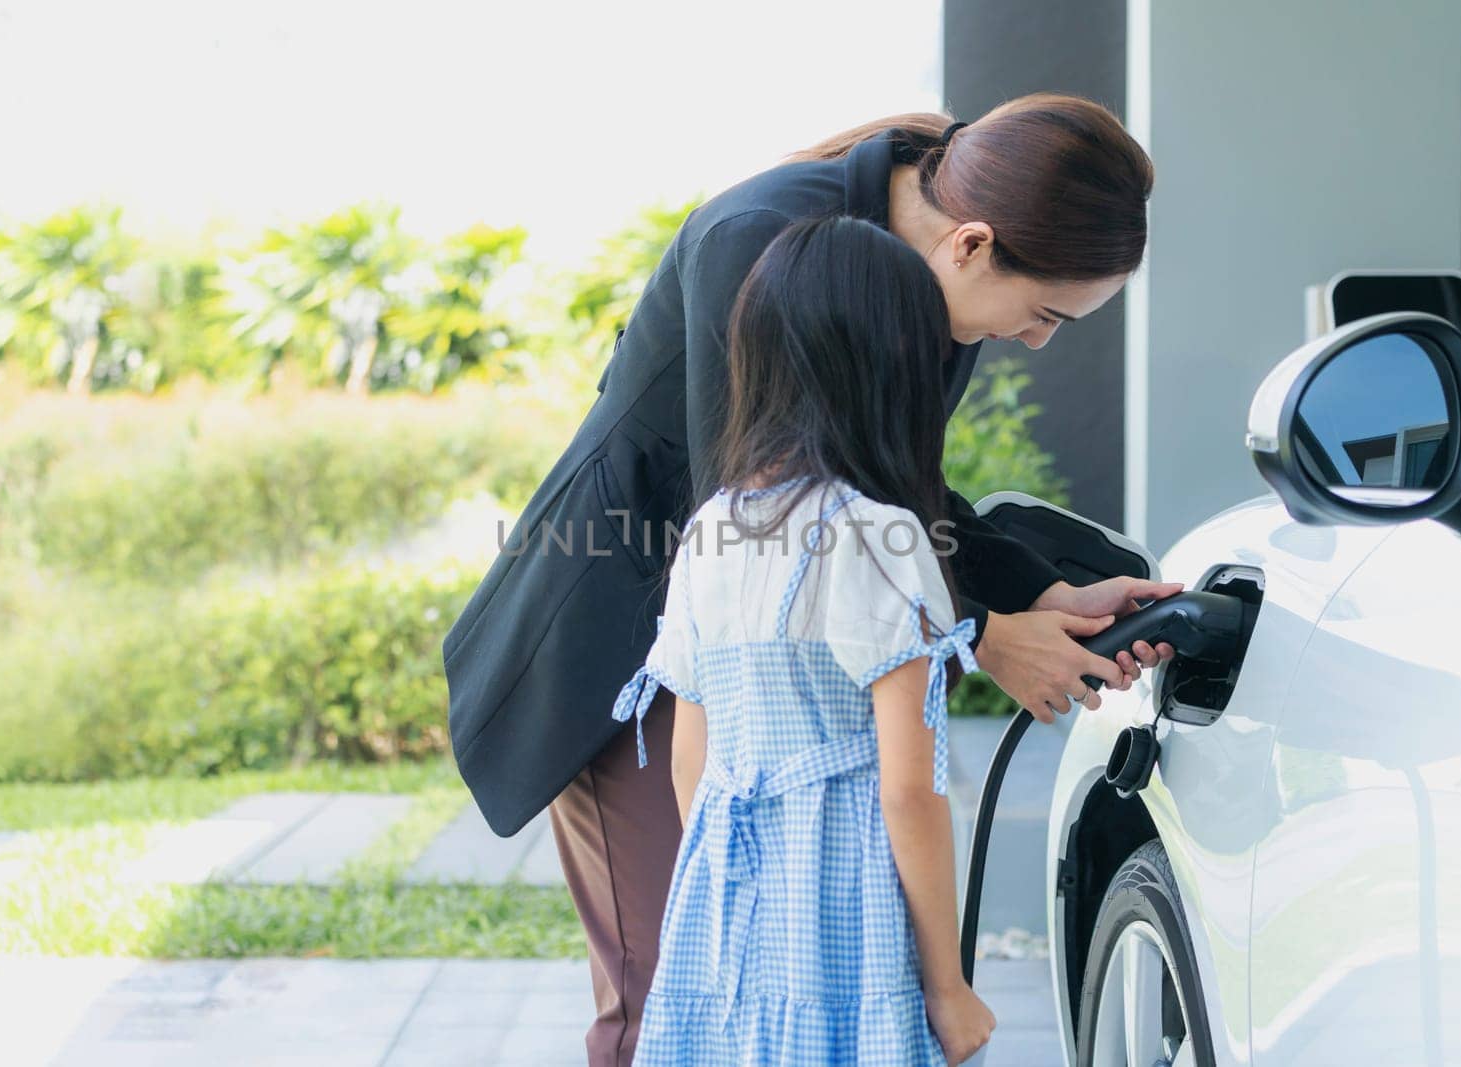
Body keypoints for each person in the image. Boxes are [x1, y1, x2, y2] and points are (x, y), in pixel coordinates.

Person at [439, 93, 1179, 1066]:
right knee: (674, 997)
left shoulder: (919, 290)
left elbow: (887, 485)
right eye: (1043, 312)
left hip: (756, 653)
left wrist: (1038, 595)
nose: (1039, 341)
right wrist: (978, 633)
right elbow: (769, 514)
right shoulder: (763, 235)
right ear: (969, 244)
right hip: (634, 645)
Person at [608, 212, 1101, 1065]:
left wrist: (725, 885)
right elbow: (910, 791)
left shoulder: (711, 532)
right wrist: (947, 987)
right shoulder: (880, 537)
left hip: (723, 902)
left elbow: (694, 755)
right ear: (897, 366)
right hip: (843, 905)